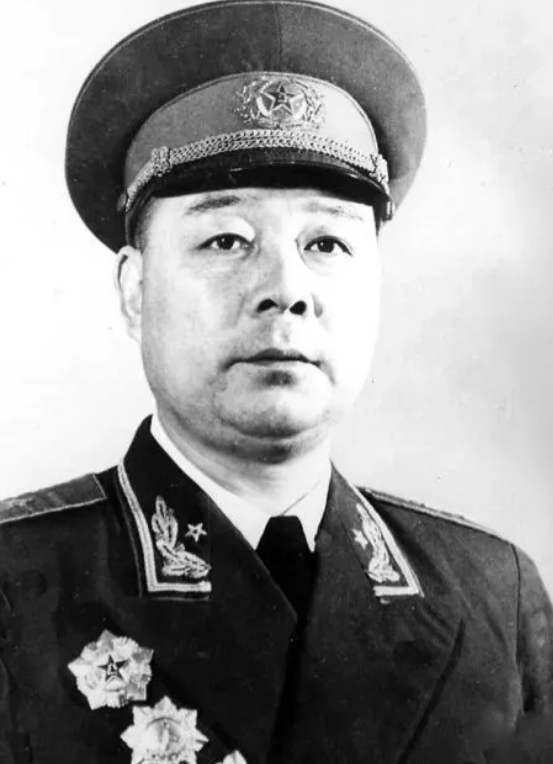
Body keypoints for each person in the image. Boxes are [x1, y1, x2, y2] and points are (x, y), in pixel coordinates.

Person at [0, 1, 552, 763]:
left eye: (326, 243)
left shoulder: (492, 592)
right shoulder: (16, 579)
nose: (287, 290)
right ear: (133, 291)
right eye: (226, 240)